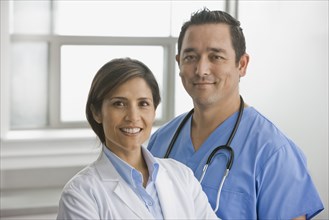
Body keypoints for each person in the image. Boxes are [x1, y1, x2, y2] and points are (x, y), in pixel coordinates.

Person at [147, 8, 324, 219]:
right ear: (179, 63)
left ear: (242, 64)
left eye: (216, 56)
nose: (201, 69)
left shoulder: (274, 153)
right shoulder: (161, 141)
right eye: (191, 57)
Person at [56, 58, 218, 220]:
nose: (133, 117)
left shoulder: (182, 176)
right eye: (119, 104)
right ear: (97, 112)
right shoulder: (80, 194)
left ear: (154, 111)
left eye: (143, 104)